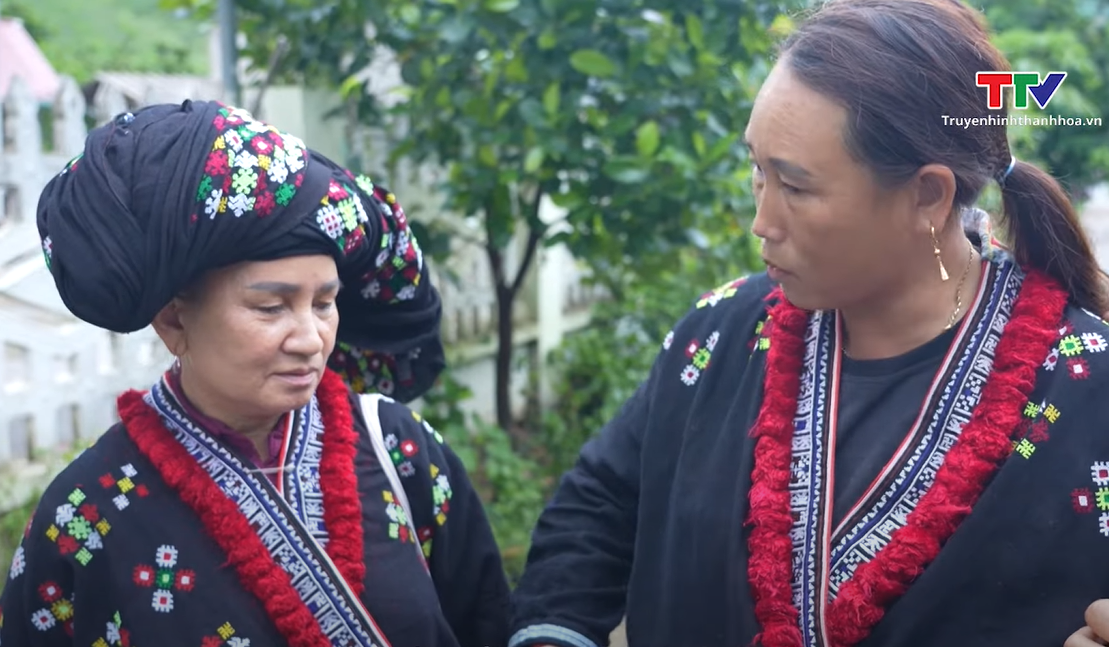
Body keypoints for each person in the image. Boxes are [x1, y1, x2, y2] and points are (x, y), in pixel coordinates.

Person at [508, 1, 1109, 646]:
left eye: (795, 188)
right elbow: (600, 502)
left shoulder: (1087, 391)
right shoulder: (722, 335)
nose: (761, 222)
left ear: (927, 195)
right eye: (757, 171)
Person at [0, 100, 510, 647]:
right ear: (174, 320)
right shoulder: (86, 514)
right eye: (271, 307)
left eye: (324, 303)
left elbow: (489, 622)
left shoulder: (398, 450)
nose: (310, 339)